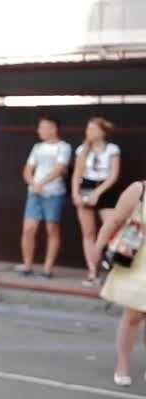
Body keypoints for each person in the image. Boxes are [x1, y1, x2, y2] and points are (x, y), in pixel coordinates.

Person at [93, 180, 146, 387]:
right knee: (133, 314)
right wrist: (97, 248)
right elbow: (115, 221)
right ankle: (122, 364)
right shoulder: (139, 189)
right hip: (138, 261)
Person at [16, 115, 71, 278]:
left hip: (54, 193)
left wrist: (43, 183)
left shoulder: (63, 147)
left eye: (43, 127)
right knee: (28, 228)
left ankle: (48, 268)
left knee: (51, 229)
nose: (39, 131)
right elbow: (27, 169)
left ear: (53, 128)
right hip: (34, 193)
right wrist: (33, 183)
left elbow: (60, 168)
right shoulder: (37, 147)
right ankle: (27, 265)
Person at [72, 117, 122, 286]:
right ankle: (92, 271)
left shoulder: (112, 149)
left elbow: (114, 175)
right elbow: (77, 174)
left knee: (111, 229)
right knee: (88, 233)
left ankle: (113, 269)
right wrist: (76, 194)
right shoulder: (82, 150)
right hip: (86, 186)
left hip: (105, 188)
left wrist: (98, 193)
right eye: (88, 129)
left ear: (102, 131)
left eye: (93, 129)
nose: (89, 132)